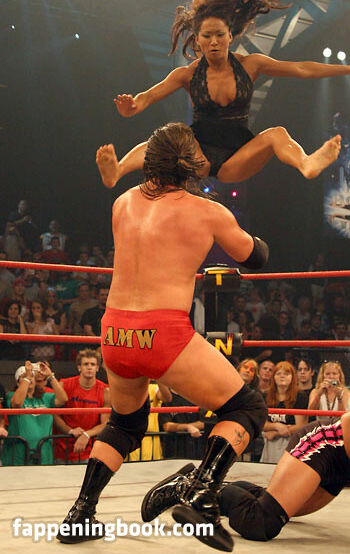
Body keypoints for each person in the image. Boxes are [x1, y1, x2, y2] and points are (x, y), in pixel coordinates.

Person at [57, 122, 268, 551]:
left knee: (125, 424)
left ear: (148, 160)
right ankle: (202, 493)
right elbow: (255, 257)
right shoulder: (207, 211)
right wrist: (250, 236)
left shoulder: (121, 203)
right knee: (246, 407)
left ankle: (81, 513)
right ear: (190, 164)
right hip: (162, 332)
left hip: (115, 331)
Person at [96, 0, 350, 190]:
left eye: (220, 35)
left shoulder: (251, 64)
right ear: (198, 40)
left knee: (276, 133)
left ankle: (306, 163)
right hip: (199, 158)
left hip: (237, 161)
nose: (214, 42)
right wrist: (130, 108)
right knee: (169, 134)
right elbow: (145, 98)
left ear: (231, 36)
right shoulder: (187, 74)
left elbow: (301, 68)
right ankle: (117, 171)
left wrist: (348, 69)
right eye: (207, 36)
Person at [216, 378, 350, 541]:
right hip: (323, 445)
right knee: (260, 522)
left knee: (281, 506)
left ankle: (248, 492)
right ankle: (207, 493)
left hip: (345, 468)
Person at [1, 361, 67, 466]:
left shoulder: (45, 397)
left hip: (43, 451)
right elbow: (17, 403)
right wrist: (27, 378)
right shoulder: (12, 396)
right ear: (18, 383)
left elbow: (63, 399)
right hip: (18, 452)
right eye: (24, 377)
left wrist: (50, 376)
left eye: (32, 376)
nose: (30, 379)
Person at [53, 349, 110, 463]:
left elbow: (105, 423)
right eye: (85, 364)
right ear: (79, 367)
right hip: (62, 447)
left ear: (97, 368)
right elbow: (55, 415)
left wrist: (87, 434)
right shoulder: (65, 385)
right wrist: (70, 430)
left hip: (88, 449)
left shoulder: (105, 391)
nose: (89, 367)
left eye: (92, 364)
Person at [260, 361, 308, 464]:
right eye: (278, 374)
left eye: (286, 374)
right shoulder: (266, 396)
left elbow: (301, 425)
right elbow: (262, 424)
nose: (282, 376)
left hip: (292, 443)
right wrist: (277, 426)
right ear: (273, 377)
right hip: (270, 445)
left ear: (292, 377)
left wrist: (276, 433)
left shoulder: (299, 396)